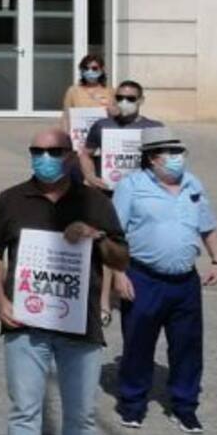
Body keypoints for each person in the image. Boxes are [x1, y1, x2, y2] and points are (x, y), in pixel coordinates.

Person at [0, 128, 129, 435]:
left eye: (53, 151)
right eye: (37, 151)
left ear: (70, 155)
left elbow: (120, 259)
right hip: (25, 323)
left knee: (81, 415)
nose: (44, 158)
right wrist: (1, 301)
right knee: (24, 410)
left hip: (80, 326)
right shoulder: (11, 199)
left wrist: (97, 237)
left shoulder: (95, 201)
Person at [112, 126, 217, 434]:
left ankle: (185, 407)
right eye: (170, 153)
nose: (177, 158)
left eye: (180, 152)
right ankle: (133, 404)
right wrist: (118, 273)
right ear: (152, 158)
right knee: (138, 345)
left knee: (188, 348)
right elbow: (114, 235)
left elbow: (208, 226)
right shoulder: (131, 186)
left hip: (185, 283)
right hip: (143, 278)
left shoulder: (193, 185)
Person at [77, 80, 163, 328]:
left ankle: (137, 291)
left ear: (141, 100)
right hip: (109, 195)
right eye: (121, 97)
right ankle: (104, 302)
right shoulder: (102, 126)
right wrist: (91, 177)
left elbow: (165, 158)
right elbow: (85, 152)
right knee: (107, 246)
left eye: (131, 98)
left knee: (138, 244)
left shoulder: (153, 127)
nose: (125, 102)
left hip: (142, 196)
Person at [61, 53, 113, 131]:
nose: (90, 71)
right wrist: (67, 134)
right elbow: (66, 116)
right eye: (86, 68)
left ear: (102, 70)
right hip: (79, 136)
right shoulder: (73, 91)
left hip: (102, 134)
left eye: (94, 68)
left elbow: (115, 115)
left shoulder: (110, 91)